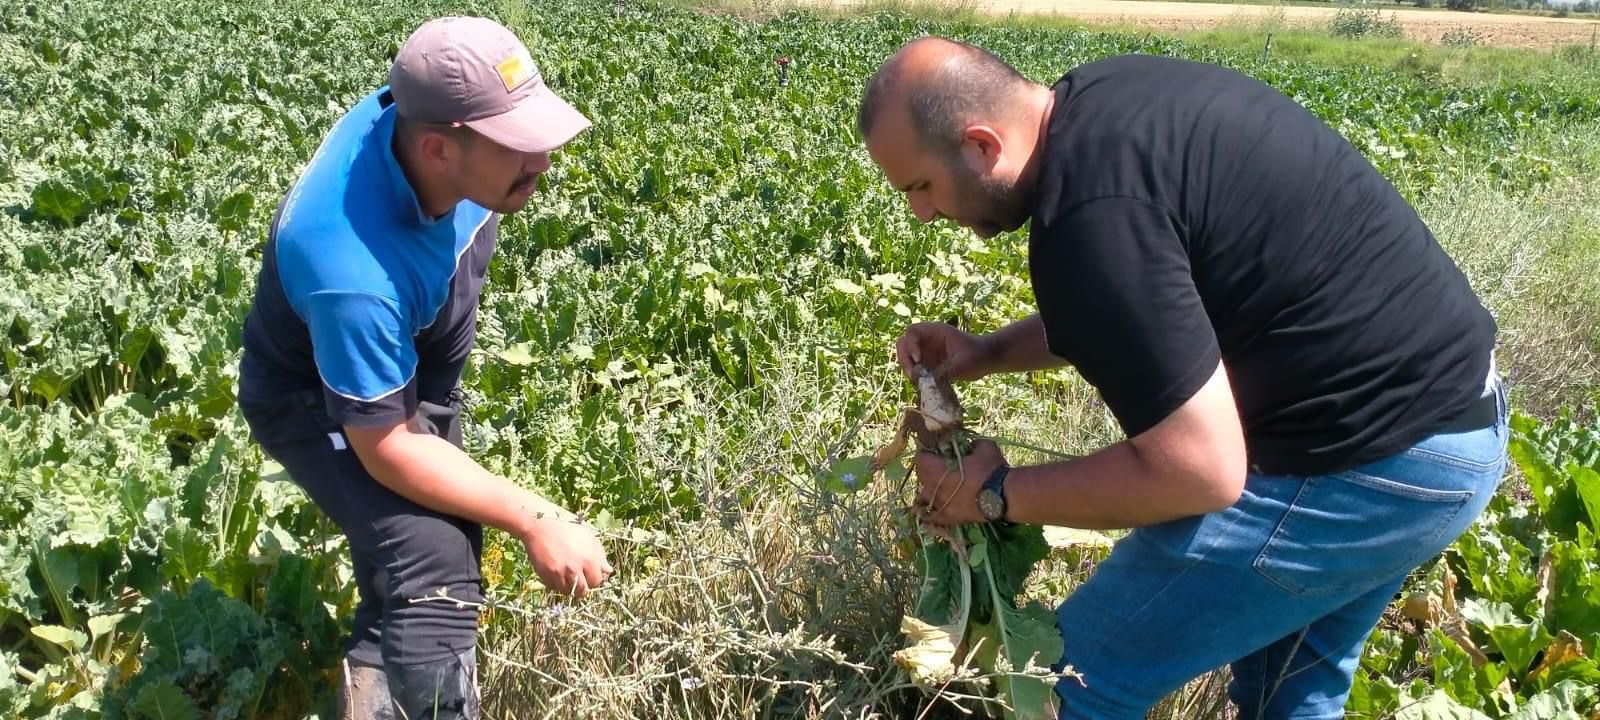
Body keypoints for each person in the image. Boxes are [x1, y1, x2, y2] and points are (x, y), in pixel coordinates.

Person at [857, 38, 1508, 719]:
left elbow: (1199, 472)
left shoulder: (1090, 216)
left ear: (981, 145)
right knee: (1286, 693)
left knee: (1064, 685)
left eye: (920, 187)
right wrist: (986, 352)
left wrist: (991, 493)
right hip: (1448, 433)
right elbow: (1140, 302)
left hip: (1368, 470)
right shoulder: (1104, 103)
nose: (922, 215)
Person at [235, 16, 611, 719]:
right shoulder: (352, 269)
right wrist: (539, 519)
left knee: (441, 525)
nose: (545, 164)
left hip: (414, 330)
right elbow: (390, 447)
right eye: (520, 146)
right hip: (313, 392)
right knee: (433, 559)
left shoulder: (445, 147)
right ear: (438, 150)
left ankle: (374, 691)